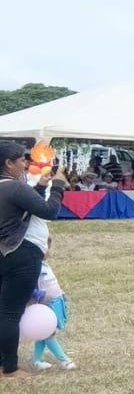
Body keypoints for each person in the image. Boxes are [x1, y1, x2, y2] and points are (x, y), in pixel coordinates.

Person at [0, 142, 66, 379]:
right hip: (21, 254)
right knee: (10, 313)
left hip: (4, 252)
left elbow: (26, 209)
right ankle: (10, 368)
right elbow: (49, 211)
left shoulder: (9, 189)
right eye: (21, 160)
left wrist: (40, 186)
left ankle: (3, 363)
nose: (26, 164)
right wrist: (58, 185)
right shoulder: (15, 187)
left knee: (3, 310)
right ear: (8, 163)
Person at [30, 253, 74, 371]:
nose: (46, 252)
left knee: (42, 334)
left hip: (54, 303)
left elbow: (52, 283)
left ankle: (36, 361)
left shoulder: (45, 266)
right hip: (43, 305)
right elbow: (27, 287)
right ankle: (64, 360)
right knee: (49, 333)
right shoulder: (31, 267)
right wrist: (38, 295)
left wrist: (61, 294)